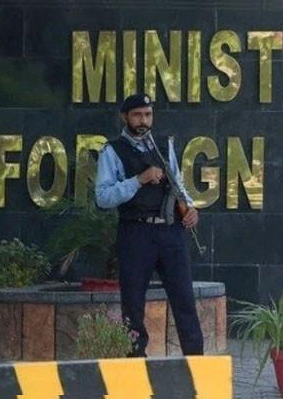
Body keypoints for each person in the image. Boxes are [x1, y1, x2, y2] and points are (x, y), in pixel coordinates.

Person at [95, 93, 203, 356]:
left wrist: (190, 208)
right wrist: (139, 180)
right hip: (136, 233)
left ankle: (197, 365)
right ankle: (135, 365)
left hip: (171, 231)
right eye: (137, 115)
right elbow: (103, 197)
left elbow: (177, 183)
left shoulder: (163, 145)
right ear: (125, 117)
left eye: (148, 114)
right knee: (132, 304)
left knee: (185, 300)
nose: (143, 120)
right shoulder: (113, 150)